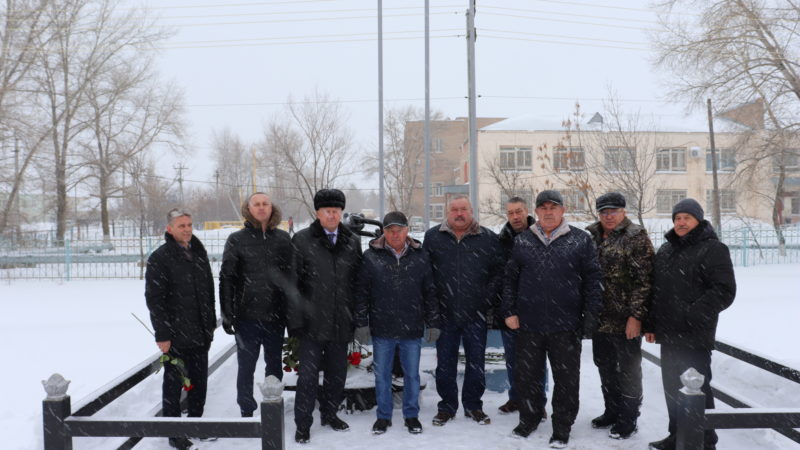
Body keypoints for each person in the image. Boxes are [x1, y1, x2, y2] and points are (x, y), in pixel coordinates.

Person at [503, 190, 602, 448]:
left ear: (562, 210)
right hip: (530, 324)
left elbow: (593, 279)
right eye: (543, 207)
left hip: (566, 324)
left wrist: (591, 313)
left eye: (553, 207)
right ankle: (529, 418)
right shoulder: (524, 241)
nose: (548, 212)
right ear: (535, 212)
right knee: (527, 377)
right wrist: (509, 311)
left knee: (566, 380)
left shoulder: (580, 240)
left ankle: (562, 426)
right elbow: (510, 279)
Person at [645, 198, 736, 450]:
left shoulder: (713, 249)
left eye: (686, 217)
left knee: (697, 390)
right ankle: (678, 436)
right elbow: (657, 291)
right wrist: (651, 323)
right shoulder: (666, 250)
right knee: (673, 390)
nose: (681, 222)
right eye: (677, 218)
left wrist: (691, 314)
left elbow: (724, 290)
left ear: (698, 220)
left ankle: (705, 441)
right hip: (669, 334)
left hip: (695, 335)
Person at [355, 211, 441, 435]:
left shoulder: (420, 256)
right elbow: (362, 293)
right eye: (390, 230)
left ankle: (411, 415)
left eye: (399, 230)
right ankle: (383, 416)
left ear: (407, 230)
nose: (395, 234)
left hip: (411, 328)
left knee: (411, 375)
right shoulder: (371, 256)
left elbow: (430, 292)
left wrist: (433, 322)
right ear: (384, 232)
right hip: (382, 328)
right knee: (382, 375)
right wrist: (361, 322)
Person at [288, 188, 363, 444]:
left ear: (341, 213)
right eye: (327, 211)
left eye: (336, 211)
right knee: (308, 378)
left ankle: (330, 414)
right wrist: (295, 322)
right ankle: (303, 423)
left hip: (341, 321)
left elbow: (357, 283)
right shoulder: (301, 240)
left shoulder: (352, 240)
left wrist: (356, 316)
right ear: (318, 213)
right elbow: (292, 285)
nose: (332, 215)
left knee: (337, 374)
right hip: (311, 324)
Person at [423, 194, 504, 427]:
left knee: (476, 363)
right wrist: (433, 308)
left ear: (471, 211)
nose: (459, 214)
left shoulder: (488, 238)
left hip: (475, 314)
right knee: (445, 364)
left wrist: (485, 300)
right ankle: (447, 407)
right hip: (444, 314)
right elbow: (425, 274)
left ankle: (473, 406)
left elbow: (498, 273)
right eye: (454, 209)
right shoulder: (433, 237)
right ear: (447, 213)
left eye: (464, 209)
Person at [145, 208, 216, 450]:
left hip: (199, 332)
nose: (186, 229)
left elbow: (208, 292)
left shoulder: (198, 253)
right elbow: (155, 300)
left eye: (189, 224)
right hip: (175, 336)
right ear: (169, 229)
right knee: (174, 384)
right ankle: (174, 433)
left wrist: (209, 325)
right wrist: (163, 334)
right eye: (181, 225)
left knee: (199, 382)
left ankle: (196, 424)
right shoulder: (160, 258)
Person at [585, 192, 654, 440]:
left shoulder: (635, 237)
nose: (609, 216)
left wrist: (636, 316)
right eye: (604, 212)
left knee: (628, 370)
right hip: (600, 319)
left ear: (623, 211)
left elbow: (644, 281)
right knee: (604, 366)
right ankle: (612, 410)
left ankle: (629, 418)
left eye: (613, 211)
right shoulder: (591, 236)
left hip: (626, 320)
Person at [219, 192, 293, 417]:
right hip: (246, 317)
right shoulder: (237, 240)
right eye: (256, 204)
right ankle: (246, 410)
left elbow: (291, 278)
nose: (261, 208)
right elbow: (227, 278)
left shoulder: (282, 239)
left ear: (272, 208)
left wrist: (291, 312)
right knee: (246, 367)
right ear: (248, 209)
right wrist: (227, 312)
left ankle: (273, 407)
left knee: (274, 366)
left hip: (275, 316)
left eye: (265, 204)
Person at [496, 196, 548, 418]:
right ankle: (516, 398)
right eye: (510, 213)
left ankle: (539, 402)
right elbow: (499, 275)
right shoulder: (501, 240)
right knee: (513, 360)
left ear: (527, 211)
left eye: (518, 211)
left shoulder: (540, 235)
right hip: (509, 310)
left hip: (536, 309)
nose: (515, 217)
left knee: (537, 361)